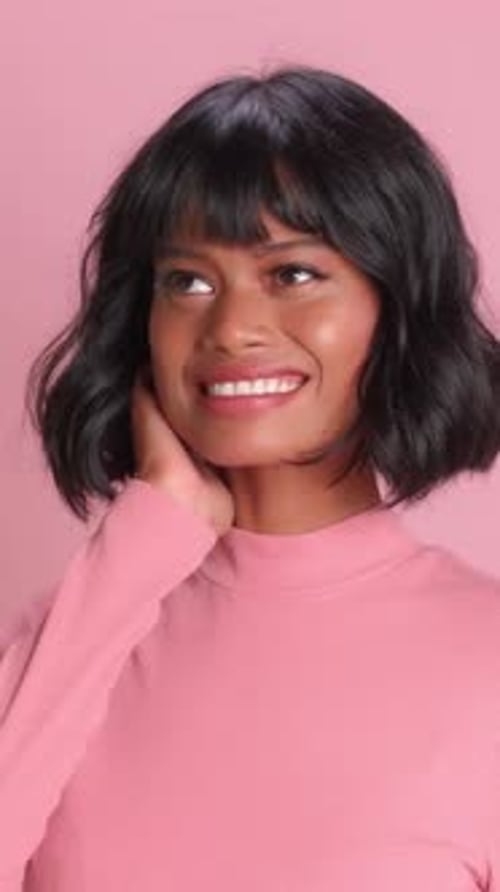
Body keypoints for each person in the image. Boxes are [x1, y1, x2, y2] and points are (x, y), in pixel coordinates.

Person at [1, 64, 500, 891]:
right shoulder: (74, 640)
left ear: (397, 305)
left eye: (292, 274)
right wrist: (142, 542)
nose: (231, 328)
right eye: (188, 281)